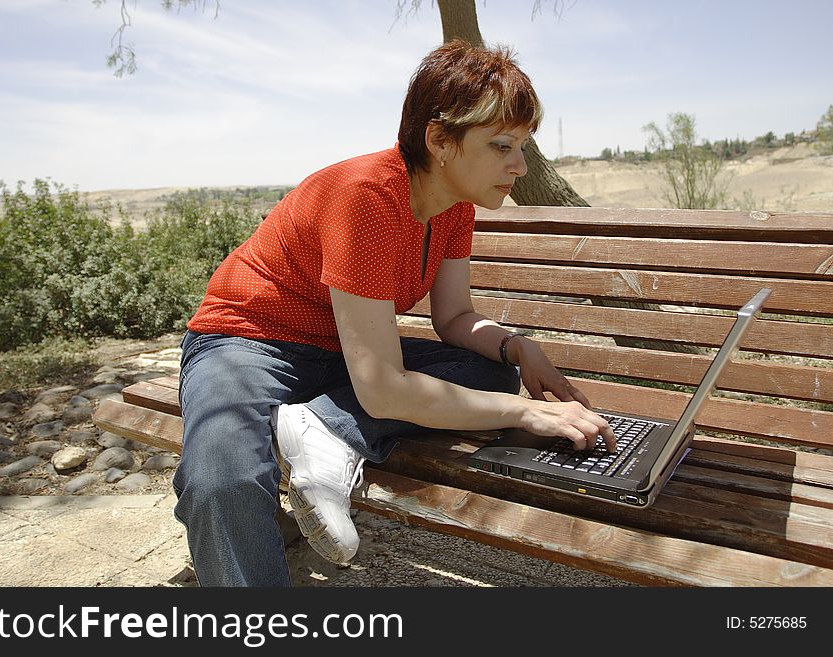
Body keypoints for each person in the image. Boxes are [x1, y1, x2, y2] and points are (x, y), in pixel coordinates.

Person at [172, 39, 615, 587]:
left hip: (339, 351)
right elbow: (382, 388)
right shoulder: (367, 196)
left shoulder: (454, 206)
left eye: (522, 146)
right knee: (223, 478)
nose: (519, 165)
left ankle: (323, 427)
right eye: (502, 145)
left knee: (490, 370)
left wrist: (516, 346)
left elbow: (453, 318)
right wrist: (522, 413)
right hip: (248, 343)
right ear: (440, 140)